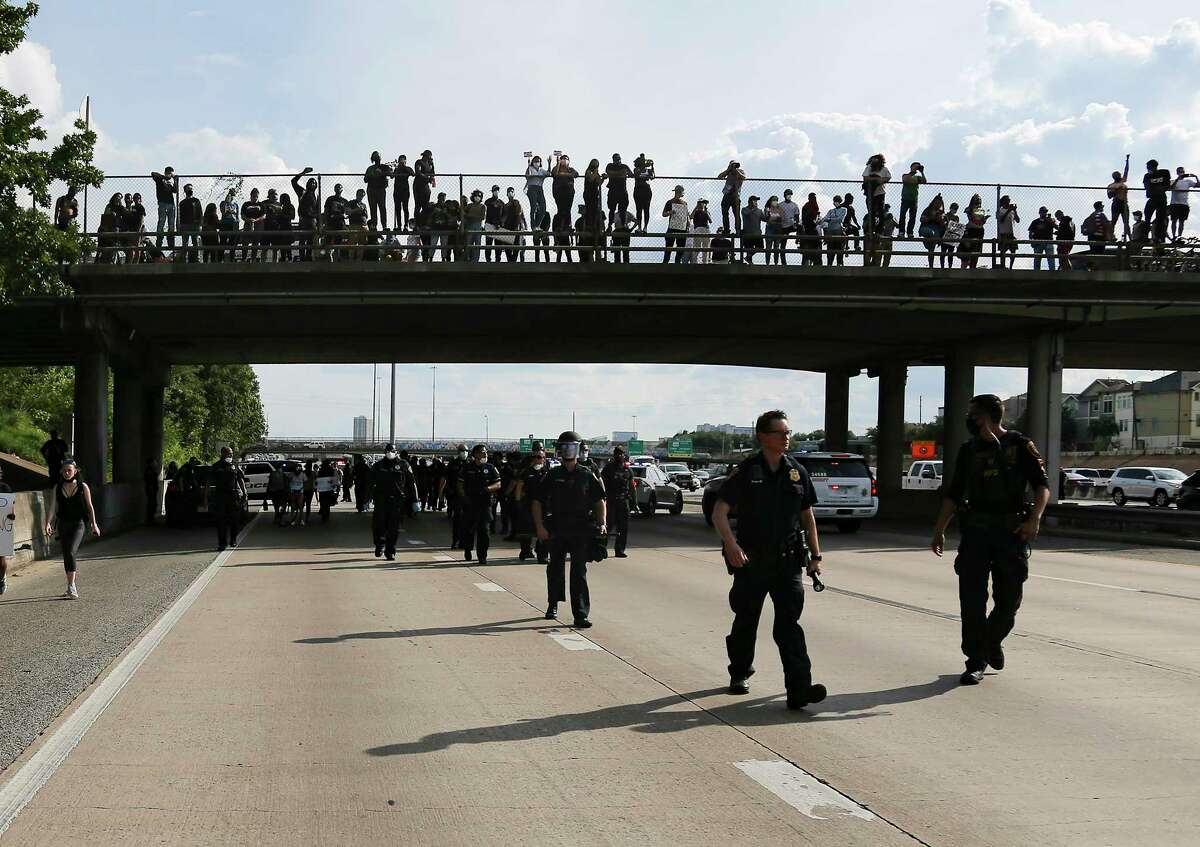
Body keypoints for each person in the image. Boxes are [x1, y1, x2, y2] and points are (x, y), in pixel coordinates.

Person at [931, 393, 1050, 686]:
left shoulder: (1020, 445)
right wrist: (939, 529)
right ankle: (975, 660)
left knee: (1009, 601)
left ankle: (992, 640)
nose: (968, 419)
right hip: (975, 533)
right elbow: (954, 493)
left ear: (985, 416)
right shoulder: (968, 450)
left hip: (1011, 533)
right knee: (971, 600)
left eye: (972, 414)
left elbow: (1042, 486)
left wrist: (1034, 519)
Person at [712, 410, 826, 711]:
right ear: (763, 436)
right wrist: (732, 545)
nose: (787, 437)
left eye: (788, 432)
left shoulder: (796, 471)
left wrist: (815, 556)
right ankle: (739, 672)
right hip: (751, 562)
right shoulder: (748, 471)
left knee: (789, 625)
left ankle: (799, 689)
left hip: (788, 562)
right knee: (746, 620)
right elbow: (719, 512)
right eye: (780, 433)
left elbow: (808, 517)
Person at [532, 431, 606, 627]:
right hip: (556, 528)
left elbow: (599, 501)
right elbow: (537, 501)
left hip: (580, 529)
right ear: (559, 449)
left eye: (572, 446)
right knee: (555, 568)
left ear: (578, 449)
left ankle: (580, 614)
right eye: (564, 447)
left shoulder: (586, 474)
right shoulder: (553, 475)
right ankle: (553, 604)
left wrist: (602, 523)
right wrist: (540, 527)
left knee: (579, 571)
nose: (568, 450)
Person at [44, 458, 100, 598]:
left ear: (75, 471)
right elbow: (52, 508)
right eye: (64, 470)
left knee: (71, 552)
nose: (67, 473)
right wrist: (47, 523)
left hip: (78, 524)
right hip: (63, 524)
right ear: (61, 472)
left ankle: (72, 586)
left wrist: (94, 524)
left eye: (70, 470)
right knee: (66, 554)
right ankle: (70, 585)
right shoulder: (58, 487)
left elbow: (90, 507)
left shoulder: (83, 487)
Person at [371, 444, 418, 560]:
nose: (389, 453)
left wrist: (415, 500)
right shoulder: (378, 465)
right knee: (379, 525)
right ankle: (380, 545)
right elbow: (370, 482)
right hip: (381, 500)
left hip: (397, 501)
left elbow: (412, 483)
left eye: (391, 451)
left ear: (396, 452)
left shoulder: (403, 465)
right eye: (387, 451)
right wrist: (367, 498)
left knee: (394, 527)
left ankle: (390, 550)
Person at [457, 445, 502, 563]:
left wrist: (488, 489)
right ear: (475, 454)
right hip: (470, 503)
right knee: (468, 530)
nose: (485, 454)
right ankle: (467, 549)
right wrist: (463, 497)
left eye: (486, 452)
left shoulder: (491, 467)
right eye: (482, 452)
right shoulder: (467, 468)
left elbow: (498, 484)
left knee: (484, 530)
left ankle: (482, 556)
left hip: (485, 504)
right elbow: (460, 485)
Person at [515, 442, 552, 562]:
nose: (538, 459)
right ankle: (525, 550)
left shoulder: (549, 471)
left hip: (544, 504)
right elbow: (519, 485)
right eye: (536, 456)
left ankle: (543, 554)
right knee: (526, 529)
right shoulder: (527, 469)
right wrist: (518, 501)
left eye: (541, 456)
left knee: (545, 528)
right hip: (528, 503)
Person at [209, 447, 246, 551]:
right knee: (221, 521)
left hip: (233, 495)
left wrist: (244, 492)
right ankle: (222, 543)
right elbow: (208, 482)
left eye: (232, 453)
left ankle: (233, 540)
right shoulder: (216, 466)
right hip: (220, 496)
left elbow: (240, 479)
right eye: (229, 453)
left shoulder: (234, 465)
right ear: (222, 453)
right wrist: (205, 499)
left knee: (234, 519)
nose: (231, 455)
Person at [601, 446, 635, 557]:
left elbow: (631, 487)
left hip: (623, 501)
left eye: (621, 454)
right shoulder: (608, 469)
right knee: (608, 526)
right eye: (617, 454)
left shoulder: (627, 470)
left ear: (624, 455)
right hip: (611, 501)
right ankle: (602, 549)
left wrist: (634, 503)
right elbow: (602, 486)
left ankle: (620, 550)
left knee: (623, 527)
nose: (619, 456)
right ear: (614, 455)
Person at [442, 444, 470, 548]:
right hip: (456, 495)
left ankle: (464, 541)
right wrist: (442, 494)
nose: (464, 452)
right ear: (458, 452)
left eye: (466, 450)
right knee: (458, 518)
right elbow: (445, 478)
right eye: (462, 451)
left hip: (468, 496)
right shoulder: (452, 464)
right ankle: (456, 541)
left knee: (468, 520)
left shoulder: (470, 463)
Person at [1143, 159, 1172, 242]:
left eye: (1148, 167)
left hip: (1161, 197)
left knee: (1160, 218)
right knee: (1147, 216)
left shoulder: (1164, 172)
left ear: (1152, 167)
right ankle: (1146, 236)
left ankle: (1159, 237)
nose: (1147, 169)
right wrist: (1158, 188)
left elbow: (1167, 185)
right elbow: (1147, 187)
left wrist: (1157, 188)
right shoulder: (1147, 176)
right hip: (1152, 198)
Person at [862, 153, 891, 234]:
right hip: (870, 193)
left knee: (881, 212)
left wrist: (879, 180)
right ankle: (870, 230)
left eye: (877, 159)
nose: (875, 161)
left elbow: (888, 178)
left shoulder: (884, 169)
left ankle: (879, 230)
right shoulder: (869, 168)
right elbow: (865, 178)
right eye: (873, 159)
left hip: (880, 193)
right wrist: (876, 179)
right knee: (871, 212)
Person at [364, 151, 393, 229]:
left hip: (380, 190)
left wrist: (382, 173)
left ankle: (384, 226)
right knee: (373, 209)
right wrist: (372, 175)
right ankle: (374, 226)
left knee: (382, 208)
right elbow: (365, 179)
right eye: (375, 157)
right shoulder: (370, 168)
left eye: (378, 157)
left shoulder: (384, 167)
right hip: (371, 190)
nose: (377, 159)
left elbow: (391, 174)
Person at [1169, 166, 1198, 240]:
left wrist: (1195, 177)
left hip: (1184, 204)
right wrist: (1177, 179)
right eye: (1180, 171)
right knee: (1174, 221)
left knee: (1181, 222)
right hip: (1174, 204)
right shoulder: (1173, 181)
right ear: (1177, 173)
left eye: (1182, 172)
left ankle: (1179, 236)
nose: (1181, 173)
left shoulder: (1188, 181)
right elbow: (1171, 187)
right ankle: (1174, 236)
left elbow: (1199, 185)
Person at [151, 166, 177, 249]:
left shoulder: (170, 182)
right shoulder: (160, 179)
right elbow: (153, 173)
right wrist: (165, 177)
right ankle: (159, 242)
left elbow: (175, 190)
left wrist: (175, 180)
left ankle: (171, 242)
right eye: (169, 173)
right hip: (162, 203)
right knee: (161, 222)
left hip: (171, 204)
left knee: (171, 224)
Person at [717, 160, 745, 240]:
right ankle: (726, 230)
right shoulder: (728, 172)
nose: (734, 166)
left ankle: (738, 230)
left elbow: (743, 177)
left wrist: (735, 171)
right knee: (725, 213)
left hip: (736, 196)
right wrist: (728, 170)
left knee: (736, 214)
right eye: (732, 164)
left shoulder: (740, 171)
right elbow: (719, 176)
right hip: (727, 194)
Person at [662, 185, 690, 263]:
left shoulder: (685, 203)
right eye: (679, 191)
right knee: (668, 247)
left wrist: (687, 226)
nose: (680, 193)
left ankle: (677, 263)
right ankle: (665, 263)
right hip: (672, 227)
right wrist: (670, 212)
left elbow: (687, 216)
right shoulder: (670, 202)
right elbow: (663, 214)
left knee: (680, 248)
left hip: (682, 228)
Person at [898, 162, 926, 238]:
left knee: (912, 217)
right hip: (905, 199)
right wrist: (913, 175)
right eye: (915, 166)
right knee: (902, 216)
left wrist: (922, 172)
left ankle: (910, 232)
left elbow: (924, 181)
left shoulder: (918, 177)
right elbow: (905, 180)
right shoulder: (905, 175)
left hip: (914, 200)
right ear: (911, 167)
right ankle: (901, 232)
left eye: (917, 166)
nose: (916, 168)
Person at [177, 184, 202, 263]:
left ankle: (197, 259)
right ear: (185, 191)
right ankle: (184, 259)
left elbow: (200, 213)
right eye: (188, 189)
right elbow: (179, 215)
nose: (190, 190)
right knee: (185, 243)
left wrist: (200, 224)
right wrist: (179, 226)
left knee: (195, 242)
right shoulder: (182, 203)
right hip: (185, 225)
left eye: (191, 189)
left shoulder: (196, 201)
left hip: (195, 225)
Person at [918, 194, 945, 269]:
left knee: (931, 250)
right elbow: (922, 219)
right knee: (930, 233)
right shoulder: (928, 210)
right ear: (933, 202)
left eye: (939, 203)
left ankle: (931, 266)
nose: (938, 205)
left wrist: (940, 220)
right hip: (926, 228)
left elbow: (943, 225)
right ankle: (927, 240)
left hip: (936, 232)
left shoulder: (942, 213)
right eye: (936, 203)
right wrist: (932, 218)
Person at [525, 154, 550, 234]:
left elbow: (548, 174)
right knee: (534, 207)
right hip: (532, 188)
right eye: (535, 161)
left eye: (538, 161)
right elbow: (527, 176)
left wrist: (549, 163)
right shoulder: (530, 168)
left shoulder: (541, 170)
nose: (537, 162)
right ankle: (533, 226)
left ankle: (537, 225)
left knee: (543, 207)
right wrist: (528, 165)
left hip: (539, 188)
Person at [550, 154, 579, 223]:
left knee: (568, 209)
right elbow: (554, 173)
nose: (564, 160)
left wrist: (564, 174)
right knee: (560, 209)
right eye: (562, 159)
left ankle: (568, 225)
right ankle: (559, 226)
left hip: (569, 193)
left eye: (566, 159)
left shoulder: (570, 169)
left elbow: (576, 174)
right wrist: (558, 163)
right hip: (558, 192)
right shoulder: (556, 168)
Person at [1107, 155, 1130, 240]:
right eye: (1117, 176)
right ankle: (1111, 236)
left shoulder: (1122, 181)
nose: (1119, 176)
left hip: (1124, 203)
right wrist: (1117, 190)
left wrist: (1127, 161)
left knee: (1126, 222)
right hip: (1116, 203)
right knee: (1114, 221)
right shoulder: (1111, 185)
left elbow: (1126, 171)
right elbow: (1109, 196)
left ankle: (1129, 237)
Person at [605, 154, 634, 220]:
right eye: (615, 159)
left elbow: (631, 174)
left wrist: (614, 174)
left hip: (622, 190)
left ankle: (623, 225)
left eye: (617, 159)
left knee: (623, 210)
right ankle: (610, 225)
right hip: (613, 190)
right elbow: (608, 172)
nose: (616, 160)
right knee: (612, 209)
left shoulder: (624, 166)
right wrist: (621, 173)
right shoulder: (610, 165)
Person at [821, 196, 848, 266]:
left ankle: (839, 264)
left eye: (837, 201)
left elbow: (840, 219)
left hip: (838, 231)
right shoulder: (831, 211)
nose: (835, 203)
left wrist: (830, 219)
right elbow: (825, 218)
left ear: (840, 202)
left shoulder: (844, 210)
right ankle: (829, 265)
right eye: (834, 201)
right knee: (830, 251)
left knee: (839, 249)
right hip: (831, 232)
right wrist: (821, 220)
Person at [240, 188, 265, 262]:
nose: (255, 198)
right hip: (248, 225)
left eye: (257, 196)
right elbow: (242, 215)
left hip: (258, 226)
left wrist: (256, 220)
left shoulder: (261, 205)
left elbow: (264, 215)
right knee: (245, 243)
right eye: (254, 196)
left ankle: (253, 259)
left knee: (255, 243)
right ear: (251, 196)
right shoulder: (246, 204)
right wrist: (249, 220)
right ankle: (243, 259)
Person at [502, 187, 526, 263]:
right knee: (507, 246)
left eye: (512, 191)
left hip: (516, 227)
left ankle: (514, 261)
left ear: (514, 193)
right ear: (506, 194)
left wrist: (524, 224)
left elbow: (521, 214)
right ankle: (510, 261)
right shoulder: (505, 205)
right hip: (507, 227)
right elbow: (503, 217)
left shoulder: (517, 202)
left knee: (516, 245)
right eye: (509, 192)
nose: (510, 193)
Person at [995, 195, 1019, 269]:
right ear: (1003, 202)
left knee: (1013, 251)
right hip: (1003, 233)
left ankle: (1011, 267)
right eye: (1007, 200)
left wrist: (1014, 210)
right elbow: (1001, 220)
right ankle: (1003, 266)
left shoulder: (1012, 211)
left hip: (1012, 233)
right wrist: (1008, 210)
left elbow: (1018, 220)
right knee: (1003, 252)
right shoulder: (1000, 210)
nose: (1008, 202)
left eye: (1009, 200)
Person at [632, 154, 655, 233]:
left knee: (646, 209)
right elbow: (637, 175)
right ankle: (639, 227)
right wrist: (644, 166)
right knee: (638, 209)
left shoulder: (647, 170)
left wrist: (652, 167)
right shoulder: (636, 169)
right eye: (642, 161)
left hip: (646, 191)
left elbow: (652, 177)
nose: (644, 162)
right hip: (638, 190)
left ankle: (645, 227)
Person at [1028, 206, 1056, 270]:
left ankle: (1053, 273)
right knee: (1037, 259)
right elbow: (1030, 232)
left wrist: (1053, 222)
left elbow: (1057, 228)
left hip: (1049, 241)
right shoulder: (1035, 222)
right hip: (1038, 242)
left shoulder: (1050, 221)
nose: (1044, 213)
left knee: (1051, 259)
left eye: (1045, 212)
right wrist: (1031, 241)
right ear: (1039, 212)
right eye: (1043, 212)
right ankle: (1036, 273)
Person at [345, 188, 370, 261]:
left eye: (363, 195)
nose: (361, 197)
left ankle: (359, 261)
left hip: (363, 225)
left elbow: (366, 216)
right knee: (353, 244)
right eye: (360, 195)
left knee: (361, 244)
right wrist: (357, 210)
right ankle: (351, 261)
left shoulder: (364, 205)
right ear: (357, 194)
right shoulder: (351, 202)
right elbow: (347, 212)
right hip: (354, 225)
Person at [392, 155, 415, 229]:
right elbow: (392, 176)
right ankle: (399, 226)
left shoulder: (407, 168)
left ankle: (405, 225)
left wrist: (404, 166)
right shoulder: (396, 169)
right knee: (397, 209)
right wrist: (396, 167)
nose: (400, 162)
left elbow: (412, 173)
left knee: (405, 208)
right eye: (399, 160)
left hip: (405, 191)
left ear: (405, 161)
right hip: (397, 191)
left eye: (402, 160)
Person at [740, 195, 765, 264]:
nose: (756, 202)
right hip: (747, 234)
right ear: (750, 202)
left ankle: (749, 257)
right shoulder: (744, 209)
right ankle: (749, 263)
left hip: (757, 233)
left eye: (756, 201)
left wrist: (768, 214)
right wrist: (754, 209)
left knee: (760, 247)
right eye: (755, 201)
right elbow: (748, 214)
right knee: (748, 249)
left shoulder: (759, 211)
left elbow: (765, 219)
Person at [800, 193, 822, 266]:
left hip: (811, 226)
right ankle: (809, 262)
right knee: (814, 242)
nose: (814, 199)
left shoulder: (814, 205)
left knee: (815, 243)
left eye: (814, 198)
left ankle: (814, 262)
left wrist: (816, 218)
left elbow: (815, 217)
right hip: (809, 226)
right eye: (813, 197)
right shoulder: (807, 206)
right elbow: (806, 217)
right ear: (809, 198)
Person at [413, 150, 436, 218]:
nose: (428, 158)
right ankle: (417, 223)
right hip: (418, 185)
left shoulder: (429, 163)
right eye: (427, 156)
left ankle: (423, 223)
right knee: (418, 205)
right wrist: (427, 178)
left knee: (425, 205)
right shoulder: (419, 162)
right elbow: (418, 172)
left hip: (425, 185)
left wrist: (431, 178)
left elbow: (432, 173)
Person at [690, 198, 713, 264]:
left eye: (703, 203)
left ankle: (704, 262)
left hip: (705, 229)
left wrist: (706, 211)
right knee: (697, 246)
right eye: (701, 203)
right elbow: (691, 217)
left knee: (705, 247)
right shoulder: (696, 211)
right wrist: (696, 207)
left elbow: (710, 221)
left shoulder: (706, 211)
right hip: (697, 229)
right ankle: (694, 262)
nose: (702, 204)